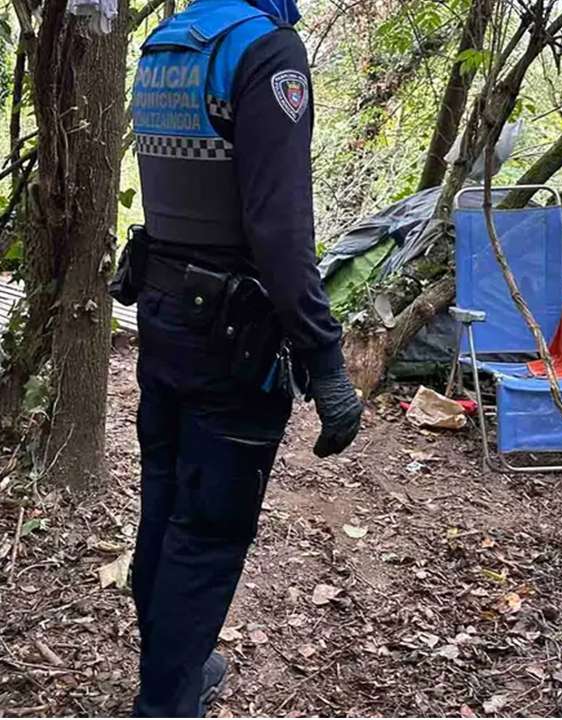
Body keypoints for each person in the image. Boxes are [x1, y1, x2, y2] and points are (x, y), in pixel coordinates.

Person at [123, 0, 364, 713]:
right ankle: (166, 703)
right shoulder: (266, 51)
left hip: (163, 317)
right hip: (230, 338)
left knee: (165, 507)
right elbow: (281, 227)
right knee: (208, 531)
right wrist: (325, 359)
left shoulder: (166, 43)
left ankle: (175, 670)